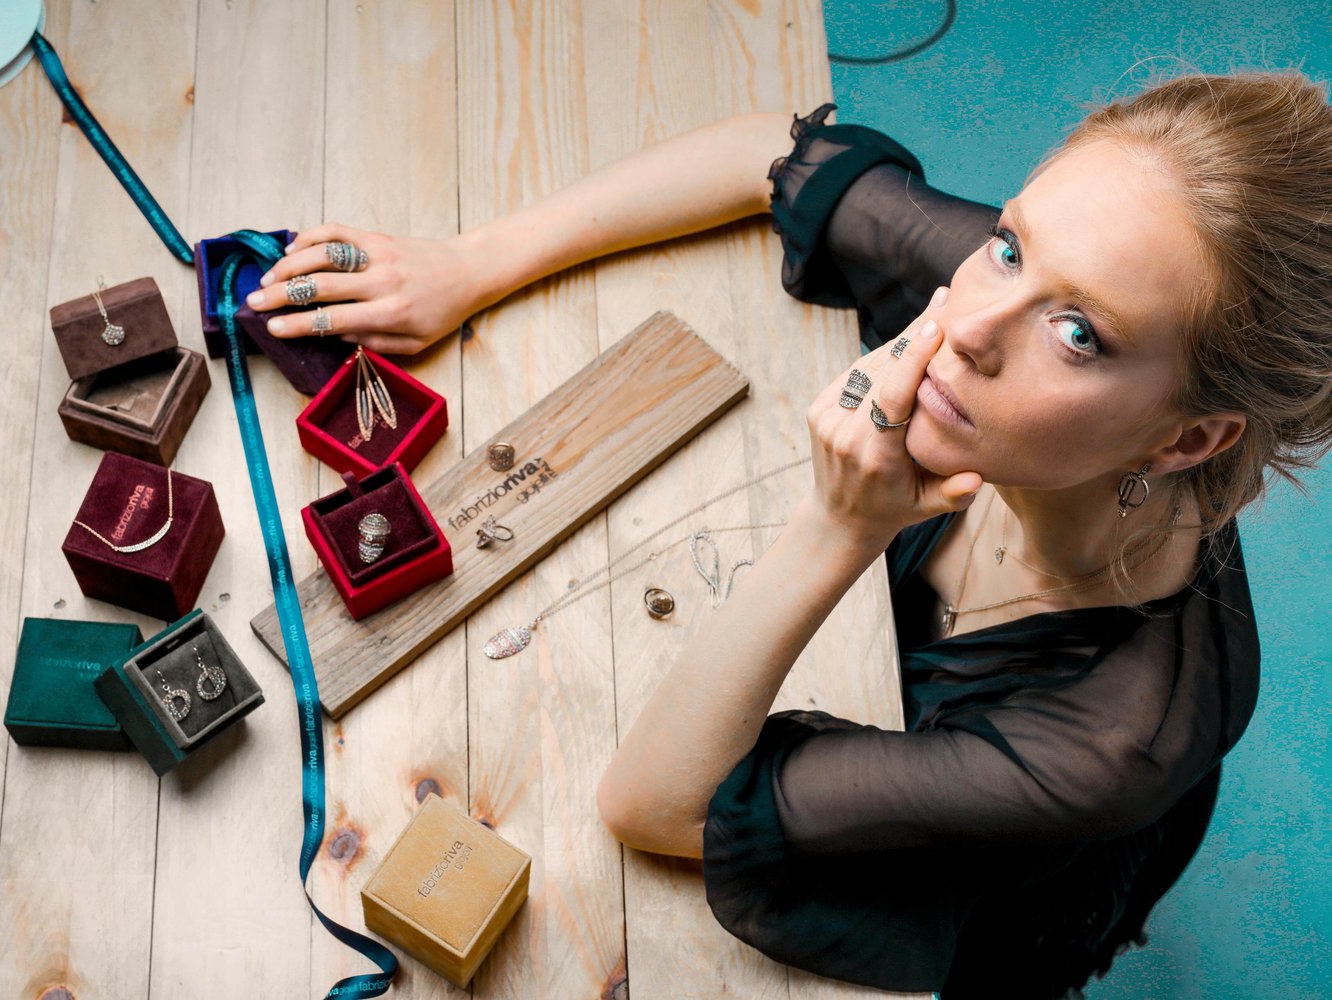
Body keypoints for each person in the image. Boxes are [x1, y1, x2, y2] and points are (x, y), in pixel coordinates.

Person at [248, 71, 1332, 997]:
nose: (965, 327)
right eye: (1007, 243)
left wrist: (836, 525)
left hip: (1013, 860)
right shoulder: (1023, 299)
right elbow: (773, 153)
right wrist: (476, 259)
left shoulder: (1110, 741)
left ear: (1191, 436)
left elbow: (650, 805)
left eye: (1079, 333)